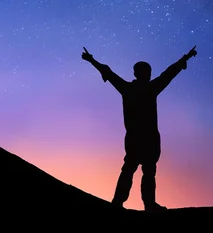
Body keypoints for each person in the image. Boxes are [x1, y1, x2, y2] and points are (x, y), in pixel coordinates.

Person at [81, 45, 197, 212]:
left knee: (133, 169)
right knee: (143, 171)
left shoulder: (129, 88)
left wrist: (91, 60)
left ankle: (121, 202)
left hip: (138, 138)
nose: (148, 74)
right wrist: (184, 59)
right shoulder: (149, 88)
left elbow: (108, 72)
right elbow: (169, 73)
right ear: (141, 73)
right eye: (146, 71)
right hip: (146, 138)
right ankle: (143, 204)